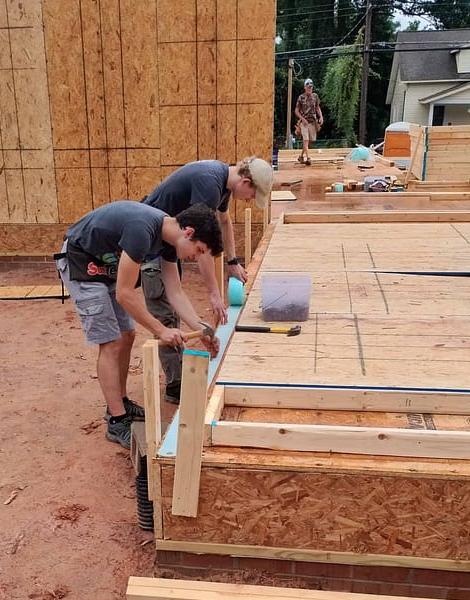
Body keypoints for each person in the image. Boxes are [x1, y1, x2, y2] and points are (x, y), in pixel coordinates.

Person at [56, 201, 223, 448]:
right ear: (188, 232)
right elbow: (125, 294)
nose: (195, 257)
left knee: (127, 334)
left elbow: (175, 293)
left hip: (106, 265)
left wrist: (201, 328)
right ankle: (116, 420)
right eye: (198, 250)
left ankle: (121, 402)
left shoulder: (169, 241)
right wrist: (161, 329)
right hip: (81, 261)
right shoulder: (142, 230)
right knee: (111, 342)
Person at [140, 156, 274, 404]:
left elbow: (223, 221)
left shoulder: (222, 183)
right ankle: (176, 384)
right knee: (166, 314)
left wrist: (232, 262)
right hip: (150, 247)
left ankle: (178, 374)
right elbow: (202, 244)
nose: (247, 200)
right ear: (245, 181)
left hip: (169, 247)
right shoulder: (209, 182)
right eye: (251, 195)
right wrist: (213, 292)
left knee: (174, 304)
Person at [294, 78, 324, 166]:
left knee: (309, 141)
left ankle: (301, 156)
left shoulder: (315, 96)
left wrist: (321, 117)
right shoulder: (301, 97)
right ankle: (308, 158)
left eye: (311, 87)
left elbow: (318, 107)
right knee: (306, 140)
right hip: (304, 122)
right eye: (308, 87)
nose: (310, 88)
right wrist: (302, 119)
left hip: (312, 122)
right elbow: (296, 110)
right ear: (305, 87)